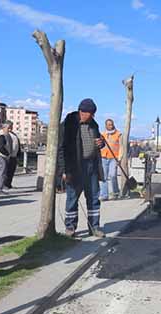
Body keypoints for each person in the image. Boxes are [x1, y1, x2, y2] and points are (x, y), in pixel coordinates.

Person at [59, 98, 106, 238]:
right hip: (74, 167)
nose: (92, 116)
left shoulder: (94, 125)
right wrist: (64, 170)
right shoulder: (68, 124)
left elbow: (99, 142)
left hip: (91, 166)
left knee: (93, 198)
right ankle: (70, 227)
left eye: (93, 114)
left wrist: (101, 143)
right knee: (72, 198)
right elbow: (61, 149)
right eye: (90, 113)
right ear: (82, 111)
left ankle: (94, 227)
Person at [99, 119, 121, 201]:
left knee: (113, 175)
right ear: (106, 125)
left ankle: (115, 192)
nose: (110, 126)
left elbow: (121, 146)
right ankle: (104, 195)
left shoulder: (118, 134)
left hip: (113, 157)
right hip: (103, 157)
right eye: (108, 124)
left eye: (111, 124)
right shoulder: (102, 134)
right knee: (103, 177)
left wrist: (120, 158)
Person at [0, 122, 12, 195]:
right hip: (1, 156)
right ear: (4, 128)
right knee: (1, 173)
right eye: (8, 128)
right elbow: (0, 147)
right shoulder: (2, 135)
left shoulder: (0, 134)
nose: (10, 130)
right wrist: (7, 154)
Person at [4, 122, 21, 189]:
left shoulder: (14, 134)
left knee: (11, 171)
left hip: (14, 155)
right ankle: (4, 185)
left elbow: (17, 144)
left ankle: (8, 184)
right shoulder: (5, 134)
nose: (11, 127)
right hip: (8, 155)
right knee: (6, 171)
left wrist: (18, 153)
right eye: (10, 126)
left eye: (11, 126)